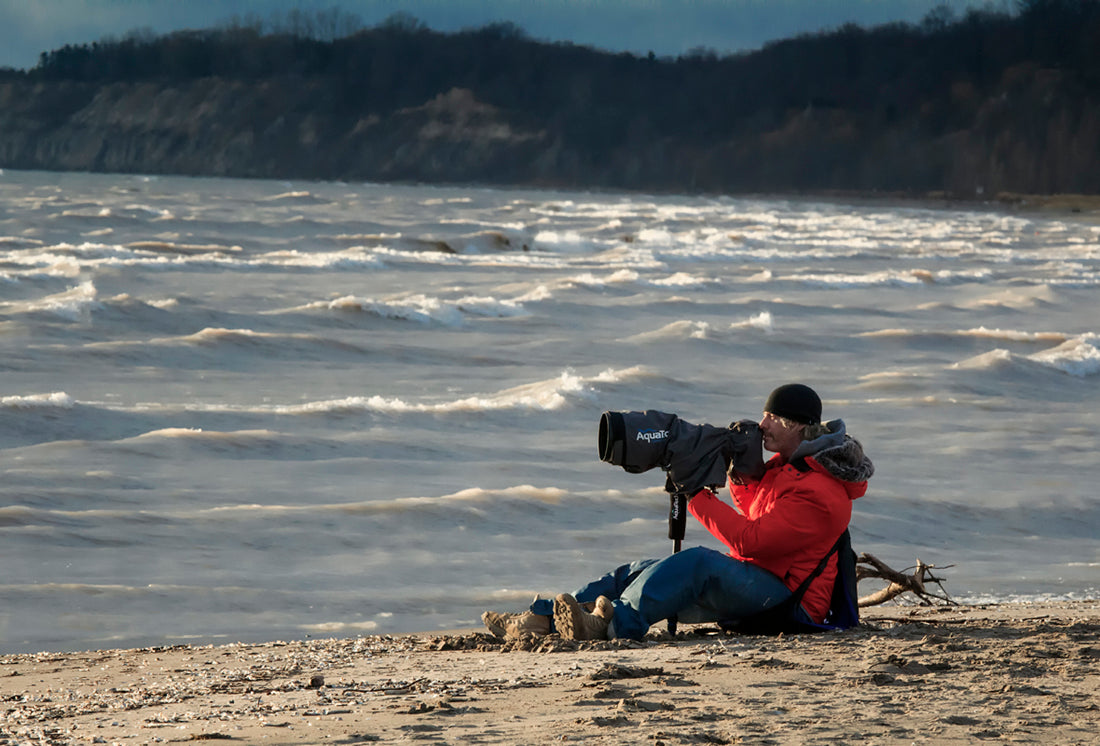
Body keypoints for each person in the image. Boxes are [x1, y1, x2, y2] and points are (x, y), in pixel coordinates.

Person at [481, 383, 874, 641]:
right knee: (638, 570)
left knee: (697, 563)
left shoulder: (821, 491)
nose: (763, 423)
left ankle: (611, 624)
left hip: (791, 601)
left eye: (772, 417)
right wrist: (739, 470)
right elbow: (757, 512)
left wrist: (695, 493)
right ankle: (542, 619)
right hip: (764, 578)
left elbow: (751, 540)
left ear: (797, 426)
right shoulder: (792, 467)